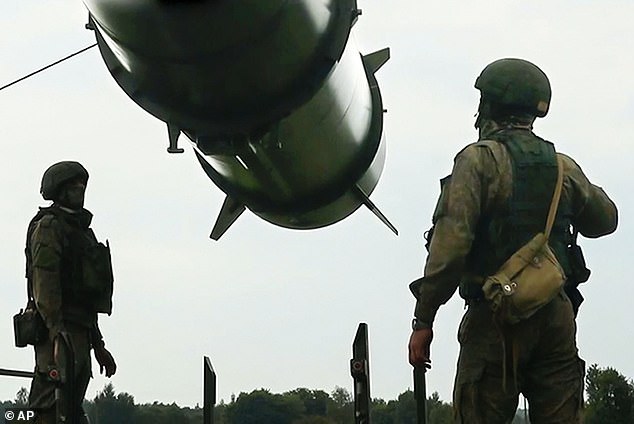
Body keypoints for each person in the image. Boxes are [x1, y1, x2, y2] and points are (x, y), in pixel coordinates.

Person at [407, 58, 618, 423]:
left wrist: (423, 320)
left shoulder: (478, 162)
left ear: (489, 105)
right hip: (555, 316)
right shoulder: (562, 166)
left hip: (494, 319)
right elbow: (606, 219)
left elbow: (450, 249)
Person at [26, 161, 117, 424]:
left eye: (82, 183)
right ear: (60, 190)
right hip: (58, 334)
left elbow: (87, 296)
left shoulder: (82, 232)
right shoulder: (49, 227)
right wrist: (57, 333)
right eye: (73, 184)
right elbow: (45, 285)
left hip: (79, 333)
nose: (81, 188)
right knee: (47, 410)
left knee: (71, 410)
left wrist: (98, 345)